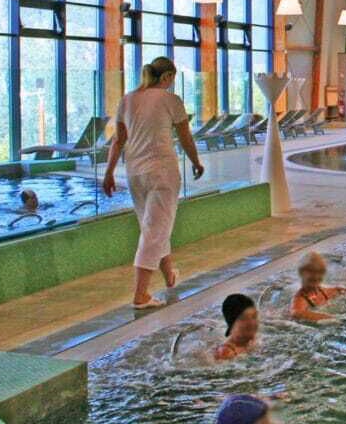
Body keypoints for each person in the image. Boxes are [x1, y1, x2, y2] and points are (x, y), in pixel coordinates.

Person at [102, 56, 205, 309]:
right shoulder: (171, 100)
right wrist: (196, 161)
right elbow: (185, 137)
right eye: (173, 78)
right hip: (162, 172)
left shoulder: (128, 100)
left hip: (135, 173)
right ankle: (140, 295)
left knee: (154, 226)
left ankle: (169, 275)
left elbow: (118, 140)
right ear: (167, 76)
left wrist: (109, 172)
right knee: (154, 230)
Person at [291, 252, 346, 322]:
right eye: (311, 272)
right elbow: (297, 313)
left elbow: (339, 290)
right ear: (301, 274)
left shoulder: (325, 291)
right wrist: (334, 318)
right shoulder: (300, 300)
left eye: (319, 272)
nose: (316, 276)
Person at [214, 293, 259, 361]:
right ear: (232, 323)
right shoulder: (226, 353)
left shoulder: (251, 339)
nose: (252, 323)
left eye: (254, 316)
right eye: (244, 319)